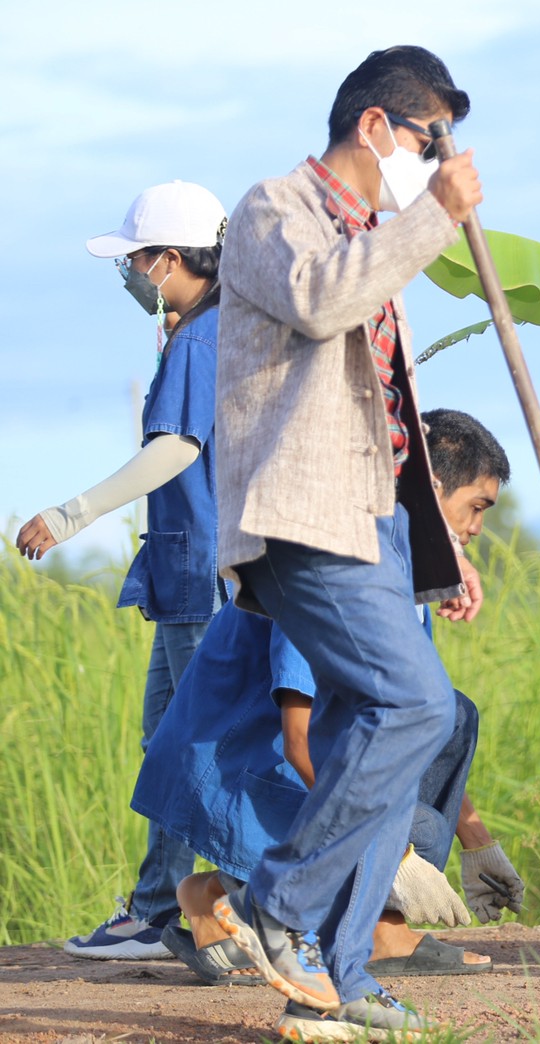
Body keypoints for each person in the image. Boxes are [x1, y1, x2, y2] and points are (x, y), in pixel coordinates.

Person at [210, 45, 484, 1039]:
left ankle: (340, 974)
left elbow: (391, 421)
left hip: (368, 521)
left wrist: (438, 556)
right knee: (417, 705)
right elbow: (323, 299)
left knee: (382, 733)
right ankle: (280, 902)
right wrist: (436, 215)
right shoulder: (271, 209)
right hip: (299, 516)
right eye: (431, 138)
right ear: (378, 127)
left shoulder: (372, 231)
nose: (441, 157)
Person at [130, 408, 523, 987]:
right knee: (415, 832)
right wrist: (399, 858)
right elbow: (299, 740)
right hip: (240, 771)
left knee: (452, 714)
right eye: (476, 507)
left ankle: (238, 901)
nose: (476, 529)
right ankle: (255, 902)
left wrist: (479, 843)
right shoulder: (336, 559)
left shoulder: (399, 572)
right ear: (432, 487)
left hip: (283, 767)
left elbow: (412, 721)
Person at [15, 181, 229, 959]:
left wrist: (70, 516)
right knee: (169, 741)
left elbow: (176, 450)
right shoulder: (199, 332)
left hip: (201, 573)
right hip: (183, 572)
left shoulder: (202, 340)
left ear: (170, 259)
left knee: (197, 744)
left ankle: (234, 907)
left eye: (137, 260)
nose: (133, 275)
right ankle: (157, 912)